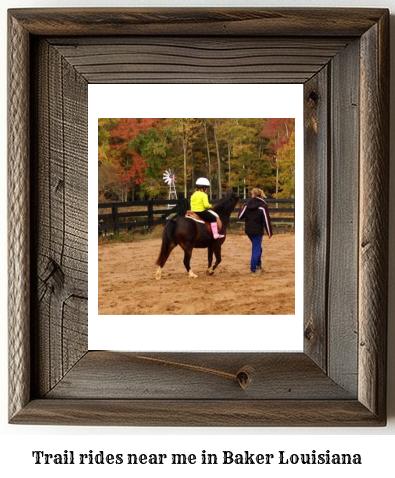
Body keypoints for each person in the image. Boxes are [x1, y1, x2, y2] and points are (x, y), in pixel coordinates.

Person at [238, 188, 272, 273]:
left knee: (258, 248)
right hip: (257, 231)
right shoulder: (263, 206)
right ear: (261, 195)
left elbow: (240, 216)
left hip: (249, 230)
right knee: (256, 249)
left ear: (253, 195)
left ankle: (258, 265)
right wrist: (269, 232)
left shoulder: (247, 204)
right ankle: (253, 269)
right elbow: (266, 220)